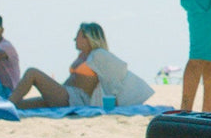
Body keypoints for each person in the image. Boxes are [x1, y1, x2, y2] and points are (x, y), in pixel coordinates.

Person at [10, 22, 154, 109]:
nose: (74, 39)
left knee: (32, 73)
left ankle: (7, 104)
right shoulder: (82, 56)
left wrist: (115, 99)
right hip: (65, 93)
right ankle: (9, 105)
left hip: (76, 98)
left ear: (88, 38)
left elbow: (119, 71)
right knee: (22, 105)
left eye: (78, 35)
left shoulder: (98, 55)